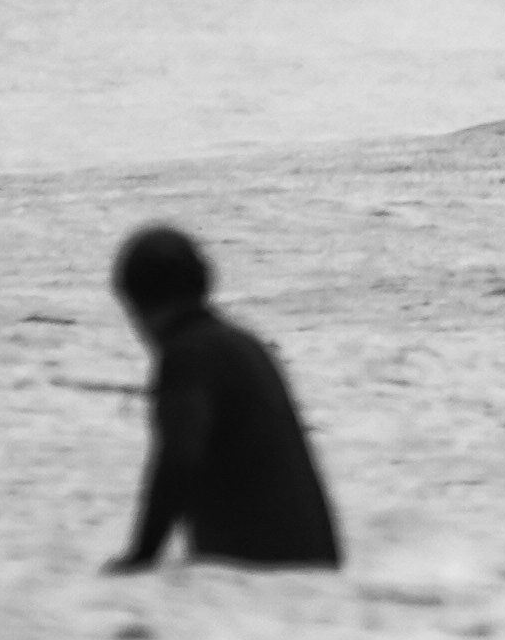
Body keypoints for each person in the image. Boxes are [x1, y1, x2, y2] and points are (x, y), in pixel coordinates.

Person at [104, 223, 342, 574]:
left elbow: (179, 460)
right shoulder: (245, 343)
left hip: (262, 579)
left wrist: (140, 559)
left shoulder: (188, 356)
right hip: (314, 568)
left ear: (138, 305)